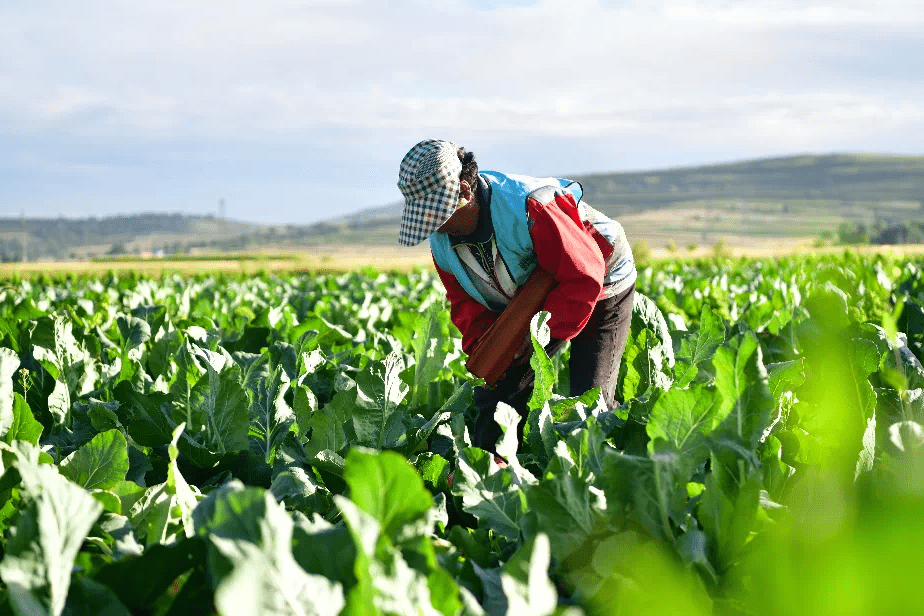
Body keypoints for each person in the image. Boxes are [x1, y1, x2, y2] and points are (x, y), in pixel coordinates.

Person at [397, 139, 636, 454]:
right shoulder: (443, 243)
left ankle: (602, 469)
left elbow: (581, 277)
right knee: (497, 391)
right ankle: (493, 472)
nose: (432, 227)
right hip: (529, 294)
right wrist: (493, 360)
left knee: (589, 403)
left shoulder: (528, 206)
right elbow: (466, 305)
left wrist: (535, 341)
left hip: (601, 276)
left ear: (465, 193)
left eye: (435, 215)